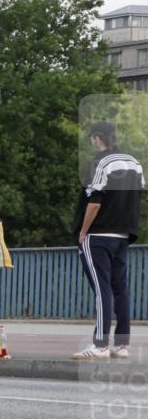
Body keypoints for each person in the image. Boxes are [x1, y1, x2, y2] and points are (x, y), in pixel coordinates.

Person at [71, 122, 145, 360]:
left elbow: (95, 200)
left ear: (96, 138)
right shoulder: (134, 162)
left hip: (99, 234)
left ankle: (100, 344)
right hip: (123, 234)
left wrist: (83, 230)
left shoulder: (101, 162)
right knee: (120, 289)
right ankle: (122, 344)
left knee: (101, 290)